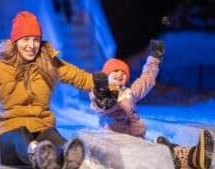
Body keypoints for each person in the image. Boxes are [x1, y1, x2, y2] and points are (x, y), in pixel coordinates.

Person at [0, 11, 95, 169]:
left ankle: (64, 154)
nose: (31, 46)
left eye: (36, 40)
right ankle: (38, 157)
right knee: (21, 133)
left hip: (41, 128)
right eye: (26, 39)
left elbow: (81, 77)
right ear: (16, 40)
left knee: (51, 134)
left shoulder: (48, 63)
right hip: (7, 136)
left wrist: (105, 87)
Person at [90, 40, 214, 169]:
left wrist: (154, 58)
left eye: (123, 72)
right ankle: (172, 159)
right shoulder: (102, 94)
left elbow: (146, 79)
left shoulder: (129, 93)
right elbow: (97, 101)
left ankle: (194, 156)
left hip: (136, 138)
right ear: (106, 76)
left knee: (162, 145)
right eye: (115, 71)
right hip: (117, 141)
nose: (120, 74)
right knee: (155, 151)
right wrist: (103, 95)